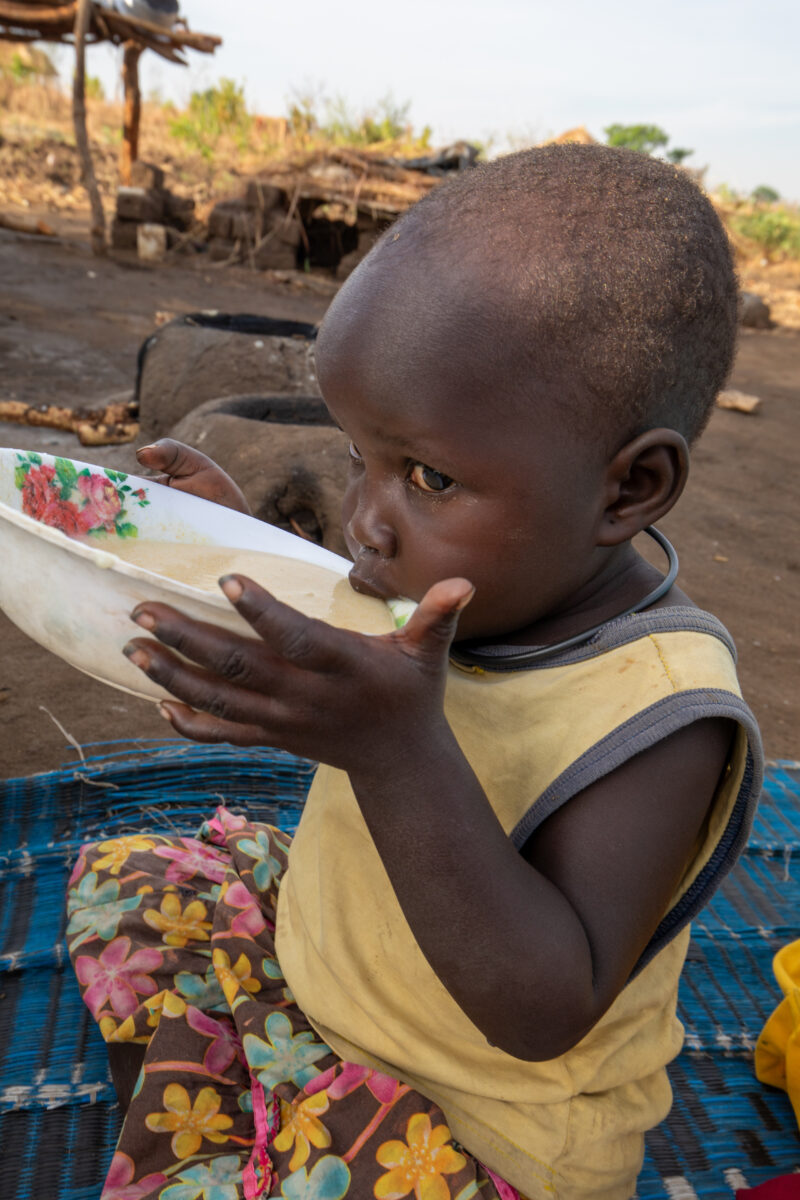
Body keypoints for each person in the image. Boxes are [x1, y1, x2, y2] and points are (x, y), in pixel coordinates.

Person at [66, 144, 762, 1200]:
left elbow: (541, 1010)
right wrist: (232, 543)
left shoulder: (661, 710)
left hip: (472, 1122)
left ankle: (233, 1116)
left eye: (426, 475)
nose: (364, 520)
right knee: (136, 878)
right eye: (359, 456)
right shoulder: (471, 569)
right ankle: (249, 1101)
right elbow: (328, 606)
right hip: (333, 976)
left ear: (629, 489)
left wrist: (395, 751)